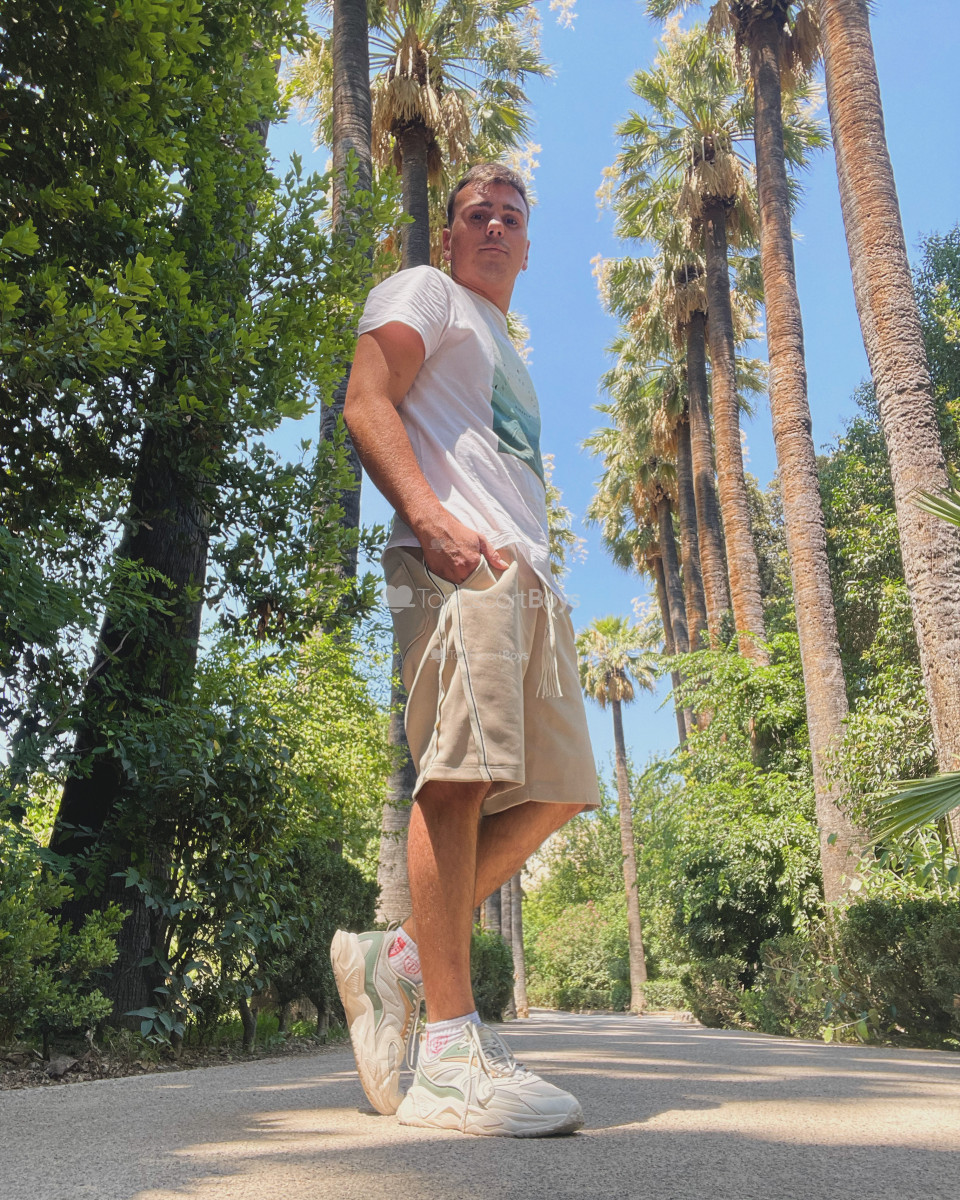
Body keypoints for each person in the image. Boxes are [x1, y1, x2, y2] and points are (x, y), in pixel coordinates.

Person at [331, 162, 600, 1138]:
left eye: (511, 217)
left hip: (527, 577)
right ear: (448, 238)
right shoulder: (427, 292)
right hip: (456, 561)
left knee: (560, 790)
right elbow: (367, 398)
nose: (494, 227)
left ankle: (397, 957)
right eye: (477, 214)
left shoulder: (505, 346)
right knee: (458, 778)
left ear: (527, 246)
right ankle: (449, 1060)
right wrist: (428, 514)